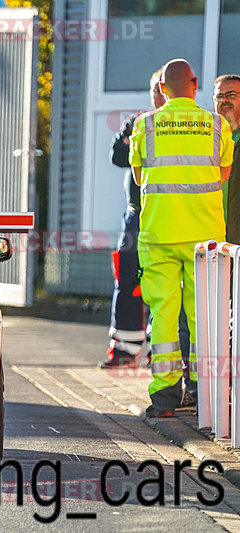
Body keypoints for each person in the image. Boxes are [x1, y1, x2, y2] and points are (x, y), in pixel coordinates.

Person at [129, 59, 234, 418]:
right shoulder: (218, 125)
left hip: (158, 235)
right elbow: (222, 175)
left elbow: (140, 176)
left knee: (163, 317)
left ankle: (164, 400)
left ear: (162, 89)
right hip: (205, 240)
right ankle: (208, 398)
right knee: (205, 317)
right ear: (195, 83)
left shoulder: (145, 125)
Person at [100, 69, 164, 369]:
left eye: (163, 89)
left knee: (166, 285)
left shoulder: (187, 126)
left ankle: (161, 352)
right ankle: (125, 350)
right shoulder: (139, 123)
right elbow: (117, 156)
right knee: (127, 280)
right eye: (156, 90)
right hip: (135, 216)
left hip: (168, 216)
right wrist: (129, 134)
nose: (160, 95)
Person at [214, 74, 240, 243]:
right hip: (214, 232)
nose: (224, 100)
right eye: (219, 96)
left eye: (231, 95)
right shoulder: (206, 137)